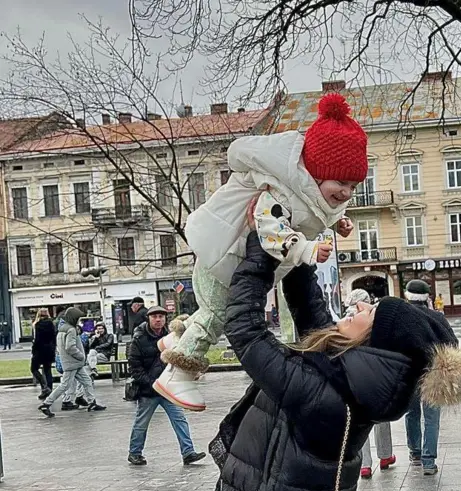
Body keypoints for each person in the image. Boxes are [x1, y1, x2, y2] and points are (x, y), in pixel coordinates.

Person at [205, 232, 461, 491]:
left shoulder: (321, 390)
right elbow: (311, 309)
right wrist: (296, 249)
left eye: (368, 313)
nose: (355, 310)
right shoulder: (351, 379)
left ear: (372, 342)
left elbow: (244, 330)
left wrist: (261, 249)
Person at [153, 93, 365, 412]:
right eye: (340, 183)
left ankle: (175, 339)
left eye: (352, 186)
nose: (346, 193)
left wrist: (340, 221)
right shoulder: (279, 191)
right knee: (217, 314)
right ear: (316, 172)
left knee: (214, 312)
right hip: (222, 259)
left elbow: (319, 212)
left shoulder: (313, 193)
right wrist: (306, 250)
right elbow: (270, 231)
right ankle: (179, 373)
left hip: (232, 261)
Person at [127, 306, 206, 466]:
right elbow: (135, 367)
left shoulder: (170, 337)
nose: (158, 320)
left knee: (180, 420)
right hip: (149, 390)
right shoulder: (139, 338)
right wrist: (151, 383)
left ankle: (188, 452)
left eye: (161, 317)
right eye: (155, 317)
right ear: (148, 318)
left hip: (169, 388)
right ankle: (135, 453)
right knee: (141, 423)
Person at [344, 290, 396, 479]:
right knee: (382, 417)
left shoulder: (344, 322)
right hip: (377, 375)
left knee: (359, 421)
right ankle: (385, 456)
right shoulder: (375, 320)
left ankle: (365, 464)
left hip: (353, 377)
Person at [403, 279, 446, 475]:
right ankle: (429, 462)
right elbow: (451, 342)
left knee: (411, 413)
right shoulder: (436, 316)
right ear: (427, 297)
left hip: (407, 373)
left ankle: (415, 452)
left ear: (407, 295)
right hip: (432, 373)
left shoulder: (401, 317)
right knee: (431, 418)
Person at [38, 308, 106, 417]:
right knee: (64, 385)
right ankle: (47, 403)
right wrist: (81, 356)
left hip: (71, 362)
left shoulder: (61, 329)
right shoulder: (71, 330)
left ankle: (92, 402)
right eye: (77, 318)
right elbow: (70, 347)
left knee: (87, 381)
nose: (78, 321)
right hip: (73, 363)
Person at [31, 308, 56, 400]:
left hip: (39, 350)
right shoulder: (51, 324)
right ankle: (49, 389)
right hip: (49, 350)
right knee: (47, 370)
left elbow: (37, 339)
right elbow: (54, 337)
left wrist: (33, 350)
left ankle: (44, 387)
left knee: (34, 369)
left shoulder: (38, 325)